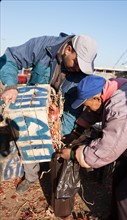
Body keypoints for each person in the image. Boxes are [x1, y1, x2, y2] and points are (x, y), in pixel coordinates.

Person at [0, 32, 97, 193]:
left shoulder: (81, 74)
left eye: (83, 66)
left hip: (58, 114)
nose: (78, 68)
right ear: (67, 49)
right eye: (77, 62)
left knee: (55, 146)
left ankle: (48, 167)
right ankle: (31, 176)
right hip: (34, 106)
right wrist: (11, 85)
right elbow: (10, 57)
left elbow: (73, 109)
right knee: (28, 140)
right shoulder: (43, 46)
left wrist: (62, 135)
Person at [61, 75, 127, 220]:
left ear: (97, 98)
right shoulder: (113, 89)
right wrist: (76, 133)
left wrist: (75, 154)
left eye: (86, 104)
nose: (86, 108)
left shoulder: (120, 107)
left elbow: (107, 149)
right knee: (120, 176)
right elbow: (94, 112)